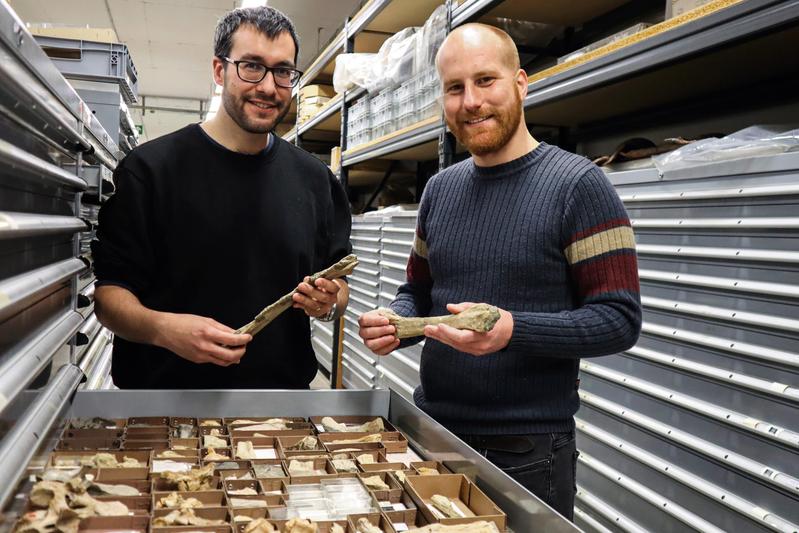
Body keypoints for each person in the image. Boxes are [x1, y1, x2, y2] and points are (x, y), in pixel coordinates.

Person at [358, 23, 641, 520]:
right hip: (433, 431)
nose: (471, 101)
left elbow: (618, 319)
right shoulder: (438, 192)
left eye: (486, 80)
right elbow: (418, 291)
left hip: (526, 451)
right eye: (454, 88)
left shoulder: (579, 186)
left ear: (521, 84)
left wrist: (513, 330)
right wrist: (396, 323)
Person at [92, 6, 351, 389]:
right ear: (219, 70)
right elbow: (109, 297)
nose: (268, 86)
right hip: (161, 409)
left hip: (281, 411)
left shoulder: (315, 180)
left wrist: (329, 302)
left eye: (283, 71)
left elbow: (339, 282)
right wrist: (163, 329)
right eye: (251, 66)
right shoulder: (149, 171)